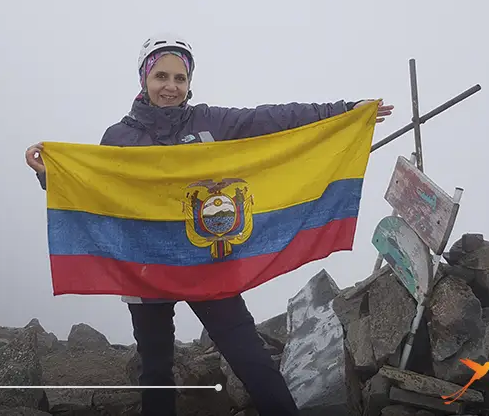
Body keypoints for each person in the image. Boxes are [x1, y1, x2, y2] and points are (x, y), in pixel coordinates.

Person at [25, 33, 394, 416]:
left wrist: (345, 111)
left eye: (179, 79)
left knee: (248, 355)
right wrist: (49, 174)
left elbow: (273, 119)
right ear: (143, 79)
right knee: (155, 369)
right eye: (161, 77)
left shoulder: (211, 122)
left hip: (210, 262)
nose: (170, 87)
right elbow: (93, 192)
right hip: (146, 270)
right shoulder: (119, 138)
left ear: (189, 83)